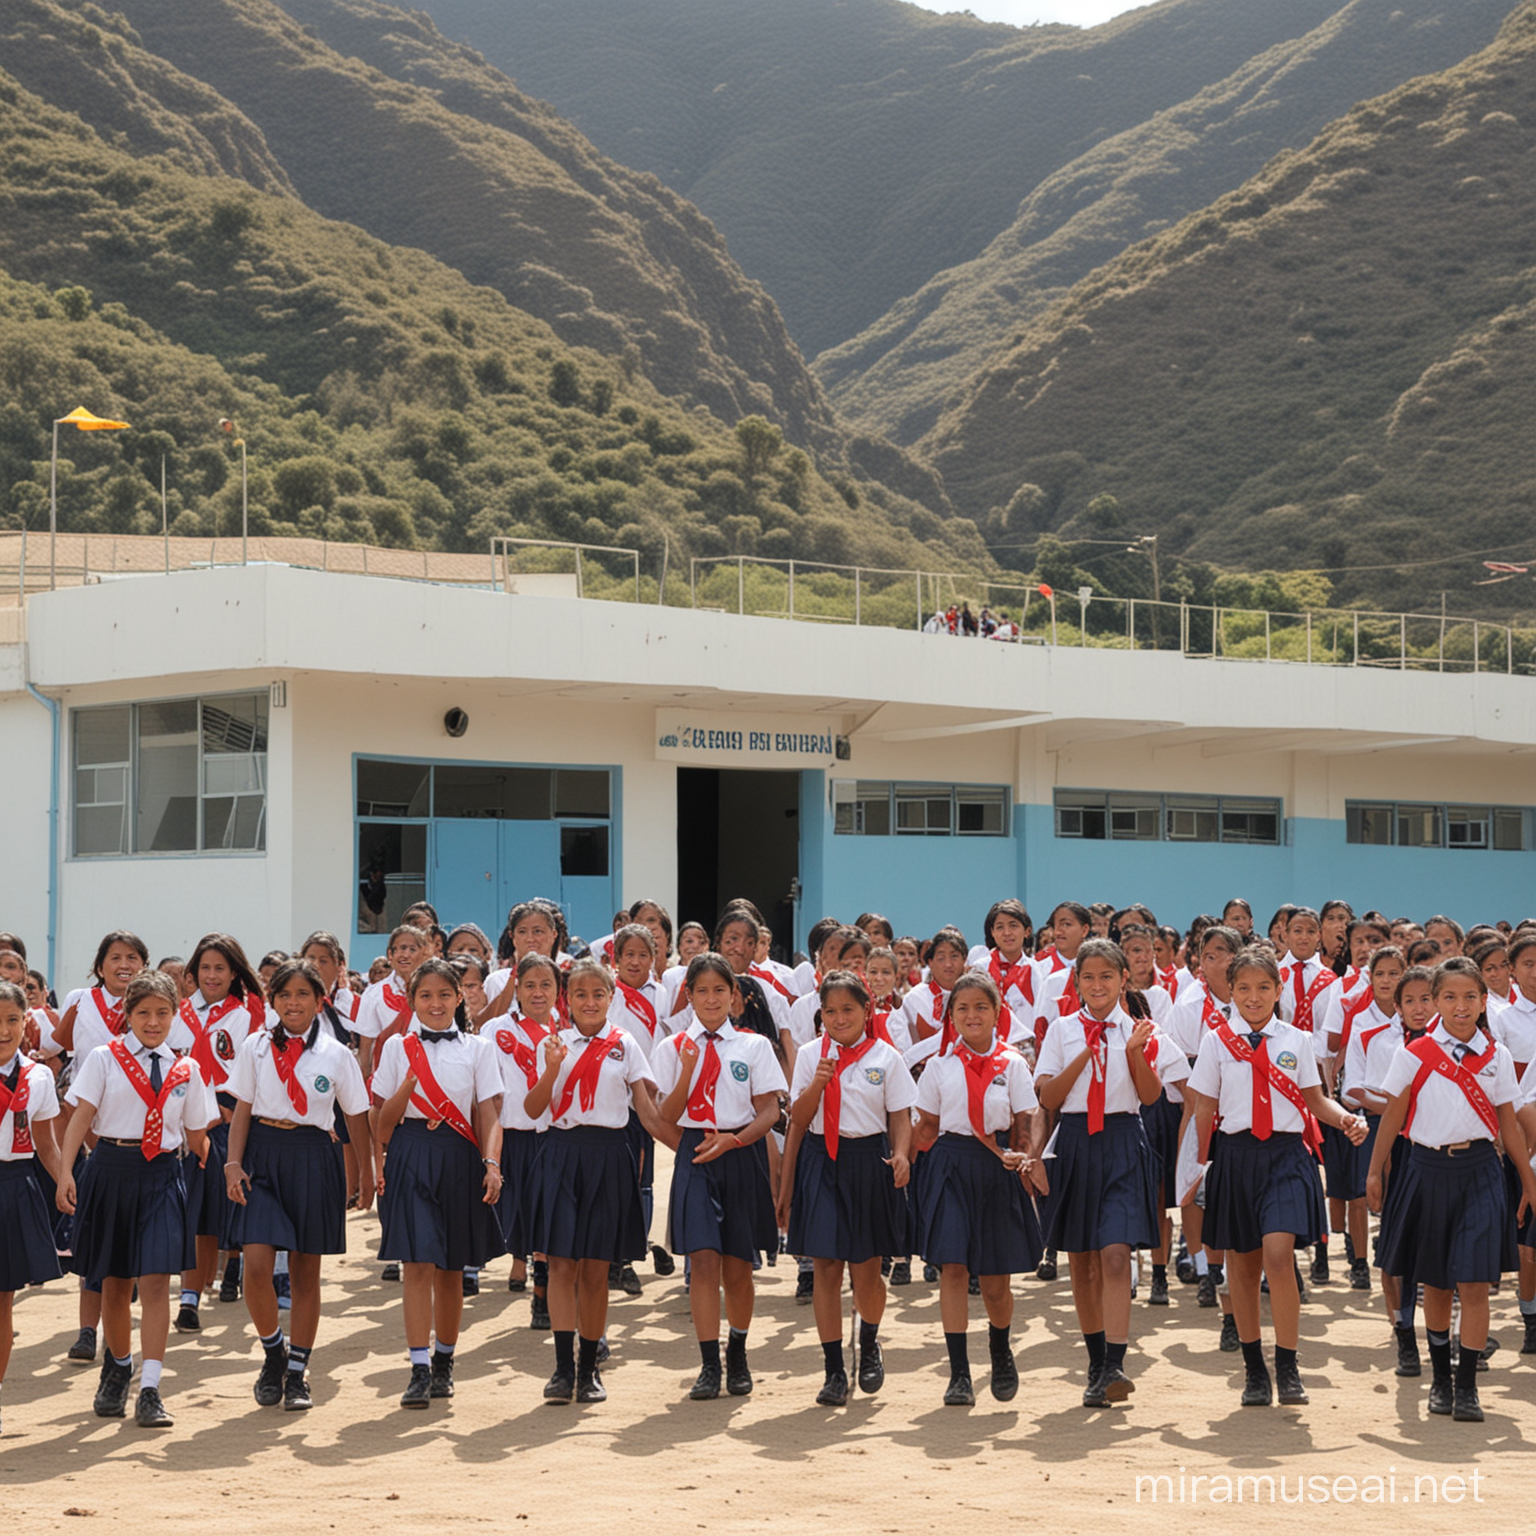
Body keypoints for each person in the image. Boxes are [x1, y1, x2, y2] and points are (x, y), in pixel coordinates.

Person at [1189, 947, 1367, 1407]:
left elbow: (1315, 1099)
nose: (1253, 997)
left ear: (1278, 990)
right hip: (1235, 1157)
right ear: (1230, 990)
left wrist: (1346, 1118)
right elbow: (1204, 1109)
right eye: (1243, 988)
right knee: (1243, 1269)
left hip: (1288, 1157)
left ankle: (1288, 1366)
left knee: (1279, 1253)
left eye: (1263, 987)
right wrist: (1196, 1170)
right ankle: (1254, 1371)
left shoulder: (1297, 1040)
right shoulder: (1216, 1041)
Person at [1369, 957, 1536, 1422]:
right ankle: (1439, 1380)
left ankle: (1467, 1387)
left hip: (1481, 1170)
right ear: (1436, 1002)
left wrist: (1529, 1180)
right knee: (1437, 1283)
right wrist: (1376, 1170)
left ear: (1485, 1001)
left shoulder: (1496, 1056)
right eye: (1449, 997)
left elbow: (1508, 1122)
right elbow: (1394, 1116)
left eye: (1470, 997)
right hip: (1426, 1169)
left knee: (1475, 1282)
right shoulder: (1415, 1053)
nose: (1460, 1006)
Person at [57, 969, 216, 1428]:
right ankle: (118, 1365)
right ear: (126, 1015)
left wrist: (216, 1158)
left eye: (162, 1012)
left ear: (176, 1014)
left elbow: (196, 1132)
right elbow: (80, 1117)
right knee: (113, 1280)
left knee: (154, 1281)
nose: (153, 1021)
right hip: (109, 1168)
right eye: (143, 1012)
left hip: (163, 1174)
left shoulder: (186, 1069)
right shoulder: (104, 1059)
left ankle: (150, 1387)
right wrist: (67, 1171)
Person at [223, 959, 375, 1411]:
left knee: (307, 1271)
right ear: (272, 1001)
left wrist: (365, 1174)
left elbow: (355, 1116)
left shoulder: (337, 1054)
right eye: (284, 994)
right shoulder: (254, 1047)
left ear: (319, 1001)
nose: (293, 1003)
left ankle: (297, 1371)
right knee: (256, 1263)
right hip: (262, 1156)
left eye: (303, 995)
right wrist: (233, 1163)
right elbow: (242, 1110)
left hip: (314, 1157)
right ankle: (273, 1351)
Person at [524, 959, 677, 1404]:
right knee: (561, 1265)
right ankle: (561, 1368)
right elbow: (534, 1109)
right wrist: (552, 1067)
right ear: (565, 1000)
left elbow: (647, 1113)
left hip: (609, 1156)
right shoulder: (552, 1044)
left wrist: (684, 1148)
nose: (589, 1002)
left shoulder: (625, 1044)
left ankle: (589, 1369)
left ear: (612, 998)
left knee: (594, 1270)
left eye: (598, 994)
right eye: (579, 994)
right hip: (561, 1154)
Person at [1035, 939, 1175, 1407]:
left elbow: (1153, 1097)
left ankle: (1115, 1362)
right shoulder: (1061, 1030)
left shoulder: (1140, 1029)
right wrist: (1087, 1049)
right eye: (1089, 978)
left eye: (1107, 977)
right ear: (1076, 983)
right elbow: (1048, 1098)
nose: (1098, 985)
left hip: (1121, 1140)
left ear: (1123, 981)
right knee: (1082, 1261)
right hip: (1075, 1144)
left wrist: (1133, 1050)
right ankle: (1095, 1362)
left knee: (1115, 1254)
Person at [776, 972, 917, 1405]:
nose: (839, 1019)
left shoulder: (886, 1057)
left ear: (866, 1011)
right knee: (825, 1266)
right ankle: (833, 1369)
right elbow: (797, 1117)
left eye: (848, 1010)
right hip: (822, 1161)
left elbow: (899, 1115)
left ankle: (869, 1343)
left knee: (867, 1269)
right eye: (830, 1011)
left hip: (868, 1162)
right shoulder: (810, 1056)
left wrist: (902, 1154)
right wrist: (818, 1081)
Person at [372, 958, 506, 1408]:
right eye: (425, 996)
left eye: (445, 995)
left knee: (450, 1267)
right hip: (410, 1153)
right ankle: (417, 1366)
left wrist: (491, 1163)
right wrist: (407, 1087)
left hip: (459, 1156)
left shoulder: (478, 1048)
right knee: (416, 1262)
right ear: (412, 1001)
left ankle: (445, 1360)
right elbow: (382, 1123)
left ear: (460, 998)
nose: (435, 1003)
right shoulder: (396, 1048)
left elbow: (488, 1113)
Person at [653, 953, 787, 1400]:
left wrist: (734, 1140)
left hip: (740, 1149)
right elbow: (663, 1116)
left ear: (735, 997)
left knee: (738, 1266)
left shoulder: (753, 1046)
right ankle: (709, 1363)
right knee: (703, 1261)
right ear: (688, 996)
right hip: (696, 1152)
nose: (711, 999)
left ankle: (739, 1350)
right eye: (701, 991)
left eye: (720, 990)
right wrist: (688, 1070)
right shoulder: (672, 1048)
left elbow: (770, 1109)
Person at [912, 973, 1045, 1406]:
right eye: (963, 1008)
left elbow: (1025, 1125)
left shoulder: (1013, 1064)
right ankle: (958, 1373)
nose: (972, 1015)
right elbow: (927, 1127)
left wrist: (1022, 1156)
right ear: (951, 1017)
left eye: (981, 1007)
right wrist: (900, 1147)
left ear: (998, 1013)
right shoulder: (938, 1065)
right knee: (953, 1267)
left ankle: (1001, 1349)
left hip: (996, 1169)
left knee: (994, 1281)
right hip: (949, 1166)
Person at [172, 932, 267, 1334]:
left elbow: (257, 1068)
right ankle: (190, 1300)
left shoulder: (247, 1014)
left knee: (229, 1210)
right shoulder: (176, 1012)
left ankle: (239, 1272)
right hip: (182, 1126)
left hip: (230, 1124)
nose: (212, 976)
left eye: (220, 969)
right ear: (193, 972)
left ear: (234, 974)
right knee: (195, 1215)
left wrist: (227, 1112)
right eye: (205, 968)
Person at [0, 980, 64, 1432]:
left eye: (12, 1020)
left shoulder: (38, 1076)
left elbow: (46, 1142)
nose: (3, 1029)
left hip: (15, 1186)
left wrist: (67, 1180)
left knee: (3, 1300)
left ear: (27, 1023)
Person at [486, 953, 560, 1319]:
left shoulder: (568, 1030)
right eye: (529, 985)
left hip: (551, 1136)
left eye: (546, 985)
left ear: (558, 990)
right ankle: (518, 1261)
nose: (537, 993)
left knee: (548, 1214)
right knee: (513, 1212)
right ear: (516, 988)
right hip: (509, 1134)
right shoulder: (496, 1030)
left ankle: (542, 1296)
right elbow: (486, 1091)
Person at [354, 924, 429, 1080]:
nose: (405, 955)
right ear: (390, 954)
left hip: (428, 1079)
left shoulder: (434, 992)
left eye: (412, 949)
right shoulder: (374, 994)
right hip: (386, 1081)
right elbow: (366, 1047)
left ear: (424, 954)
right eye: (401, 949)